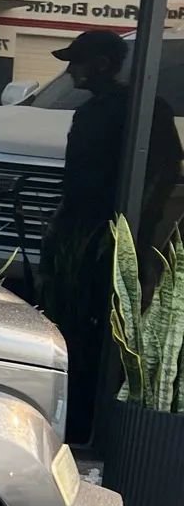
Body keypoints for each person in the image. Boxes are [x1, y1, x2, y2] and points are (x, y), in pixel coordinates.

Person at [41, 29, 182, 440]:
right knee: (69, 317)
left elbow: (163, 172)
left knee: (100, 329)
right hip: (76, 233)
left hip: (114, 238)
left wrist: (132, 230)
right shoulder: (91, 111)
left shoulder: (143, 109)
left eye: (77, 62)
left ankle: (92, 417)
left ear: (101, 65)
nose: (70, 72)